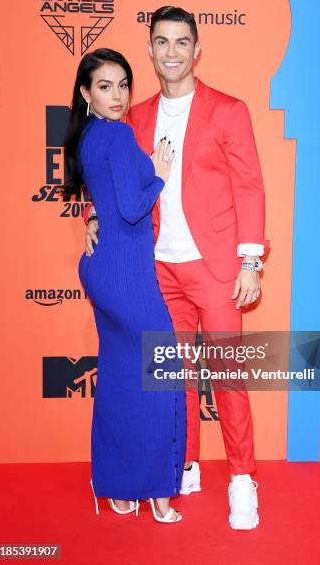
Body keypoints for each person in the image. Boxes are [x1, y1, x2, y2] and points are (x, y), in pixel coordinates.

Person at [84, 7, 267, 530]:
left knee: (227, 376)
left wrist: (250, 261)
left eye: (181, 42)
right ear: (149, 50)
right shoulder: (133, 116)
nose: (171, 53)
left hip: (214, 267)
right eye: (161, 42)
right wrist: (94, 215)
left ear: (196, 48)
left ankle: (241, 480)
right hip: (154, 270)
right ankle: (182, 465)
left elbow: (250, 187)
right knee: (172, 378)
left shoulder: (228, 110)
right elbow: (110, 177)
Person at [64, 47, 186, 524]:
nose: (117, 95)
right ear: (85, 93)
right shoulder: (116, 134)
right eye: (104, 86)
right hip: (126, 275)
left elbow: (106, 200)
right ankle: (156, 489)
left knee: (119, 379)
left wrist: (93, 214)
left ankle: (117, 486)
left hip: (106, 270)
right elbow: (134, 207)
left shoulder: (89, 135)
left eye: (122, 85)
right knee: (160, 374)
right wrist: (158, 174)